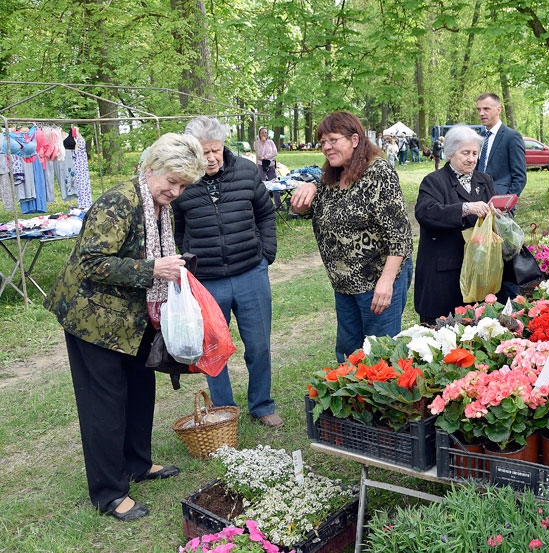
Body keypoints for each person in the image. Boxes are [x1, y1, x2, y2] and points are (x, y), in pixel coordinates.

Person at [43, 133, 205, 521]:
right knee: (105, 403)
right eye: (172, 181)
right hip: (92, 320)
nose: (176, 191)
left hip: (132, 318)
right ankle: (109, 492)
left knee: (139, 390)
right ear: (150, 169)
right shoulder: (119, 201)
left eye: (183, 185)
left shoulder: (157, 205)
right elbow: (90, 262)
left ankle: (137, 463)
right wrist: (153, 269)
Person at [173, 116, 283, 429]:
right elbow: (179, 230)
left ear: (224, 147)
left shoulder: (247, 172)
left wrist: (266, 255)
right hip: (206, 281)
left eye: (215, 150)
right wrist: (188, 269)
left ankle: (262, 404)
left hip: (251, 273)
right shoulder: (184, 182)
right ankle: (223, 410)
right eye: (203, 152)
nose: (210, 158)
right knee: (213, 350)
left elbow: (265, 214)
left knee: (259, 344)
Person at [289, 111, 413, 363]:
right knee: (349, 354)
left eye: (333, 140)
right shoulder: (332, 175)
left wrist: (386, 282)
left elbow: (400, 235)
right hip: (344, 284)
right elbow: (311, 211)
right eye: (323, 142)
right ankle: (353, 402)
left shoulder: (378, 172)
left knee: (380, 356)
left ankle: (380, 403)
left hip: (377, 281)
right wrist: (306, 195)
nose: (326, 147)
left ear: (355, 140)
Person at [414, 126, 497, 325]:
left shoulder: (484, 180)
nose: (471, 159)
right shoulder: (434, 181)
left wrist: (500, 213)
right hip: (443, 276)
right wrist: (465, 208)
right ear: (450, 153)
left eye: (475, 153)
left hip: (478, 271)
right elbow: (425, 213)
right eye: (465, 153)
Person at [475, 93, 527, 196]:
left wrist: (506, 203)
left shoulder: (512, 137)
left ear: (499, 110)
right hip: (477, 200)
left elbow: (520, 177)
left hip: (500, 201)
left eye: (486, 109)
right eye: (479, 109)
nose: (481, 113)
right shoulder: (479, 138)